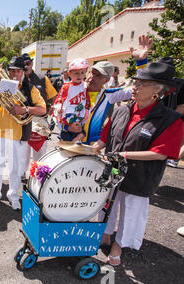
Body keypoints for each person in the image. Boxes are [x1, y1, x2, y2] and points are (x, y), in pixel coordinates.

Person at [94, 59, 184, 267]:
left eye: (141, 84)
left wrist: (125, 155)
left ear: (157, 91)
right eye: (135, 82)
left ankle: (118, 246)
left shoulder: (169, 119)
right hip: (113, 170)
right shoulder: (121, 110)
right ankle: (105, 234)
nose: (134, 87)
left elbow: (161, 153)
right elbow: (105, 138)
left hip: (141, 175)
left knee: (130, 211)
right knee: (108, 205)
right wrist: (87, 149)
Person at [0, 56, 46, 211]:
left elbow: (43, 110)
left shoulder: (30, 88)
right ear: (8, 72)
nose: (15, 74)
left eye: (18, 71)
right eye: (11, 71)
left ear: (23, 72)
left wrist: (24, 109)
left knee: (16, 169)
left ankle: (14, 196)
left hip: (19, 135)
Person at [81, 34, 153, 145]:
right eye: (92, 72)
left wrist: (141, 62)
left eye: (98, 75)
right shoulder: (75, 89)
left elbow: (139, 87)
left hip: (91, 147)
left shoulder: (109, 95)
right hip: (69, 142)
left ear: (106, 80)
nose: (92, 77)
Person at [21, 53, 57, 165]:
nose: (26, 66)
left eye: (28, 63)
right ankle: (22, 175)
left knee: (40, 152)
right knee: (23, 152)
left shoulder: (42, 78)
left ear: (32, 63)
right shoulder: (19, 80)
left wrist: (52, 105)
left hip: (40, 119)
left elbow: (52, 94)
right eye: (23, 65)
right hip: (24, 120)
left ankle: (38, 176)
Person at [53, 58, 91, 142]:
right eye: (76, 73)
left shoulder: (85, 86)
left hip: (79, 118)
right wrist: (59, 107)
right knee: (65, 140)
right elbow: (59, 99)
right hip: (67, 118)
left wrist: (87, 111)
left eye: (82, 73)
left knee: (80, 135)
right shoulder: (66, 86)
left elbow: (87, 102)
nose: (79, 75)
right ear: (69, 73)